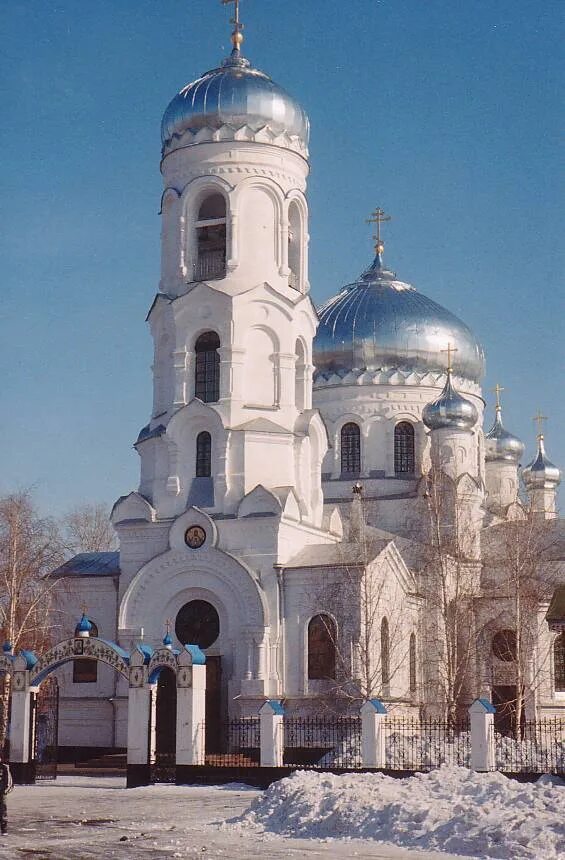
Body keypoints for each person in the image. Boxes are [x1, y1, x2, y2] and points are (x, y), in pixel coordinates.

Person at [0, 754, 12, 835]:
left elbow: (9, 781)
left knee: (2, 810)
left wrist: (5, 791)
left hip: (1, 792)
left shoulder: (4, 768)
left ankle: (4, 828)